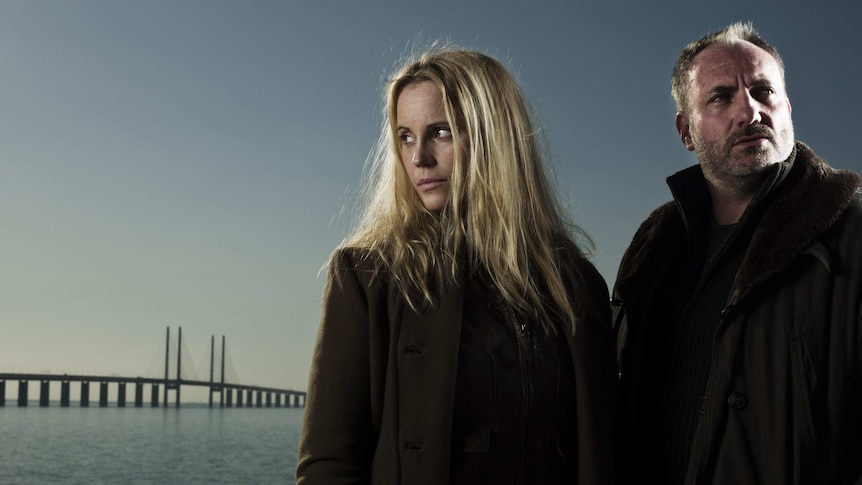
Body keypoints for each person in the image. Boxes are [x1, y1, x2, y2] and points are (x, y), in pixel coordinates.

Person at [296, 47, 616, 484]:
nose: (418, 158)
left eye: (440, 132)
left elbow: (603, 455)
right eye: (405, 136)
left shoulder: (575, 284)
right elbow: (328, 466)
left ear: (493, 137)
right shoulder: (369, 277)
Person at [612, 21, 862, 484]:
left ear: (787, 109)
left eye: (764, 92)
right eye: (721, 97)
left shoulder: (852, 232)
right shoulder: (653, 248)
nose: (749, 111)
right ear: (686, 131)